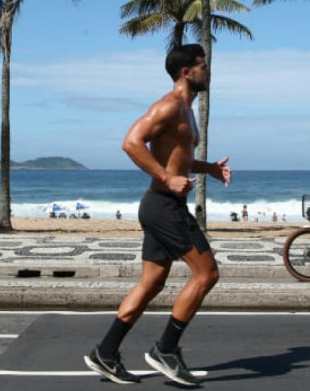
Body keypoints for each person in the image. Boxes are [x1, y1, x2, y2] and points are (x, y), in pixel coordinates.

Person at [85, 43, 231, 387]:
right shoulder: (168, 106)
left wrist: (206, 167)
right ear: (186, 72)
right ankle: (166, 349)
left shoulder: (187, 109)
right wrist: (167, 177)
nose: (208, 71)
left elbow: (176, 157)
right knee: (207, 274)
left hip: (161, 205)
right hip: (164, 206)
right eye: (203, 65)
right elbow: (131, 142)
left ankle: (105, 353)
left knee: (152, 282)